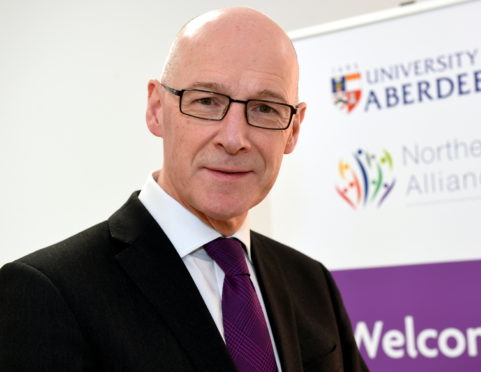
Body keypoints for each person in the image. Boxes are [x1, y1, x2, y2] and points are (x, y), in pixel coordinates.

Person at [0, 7, 368, 372]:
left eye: (264, 108)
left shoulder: (311, 283)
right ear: (157, 108)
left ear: (294, 129)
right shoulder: (48, 293)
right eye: (207, 102)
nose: (234, 138)